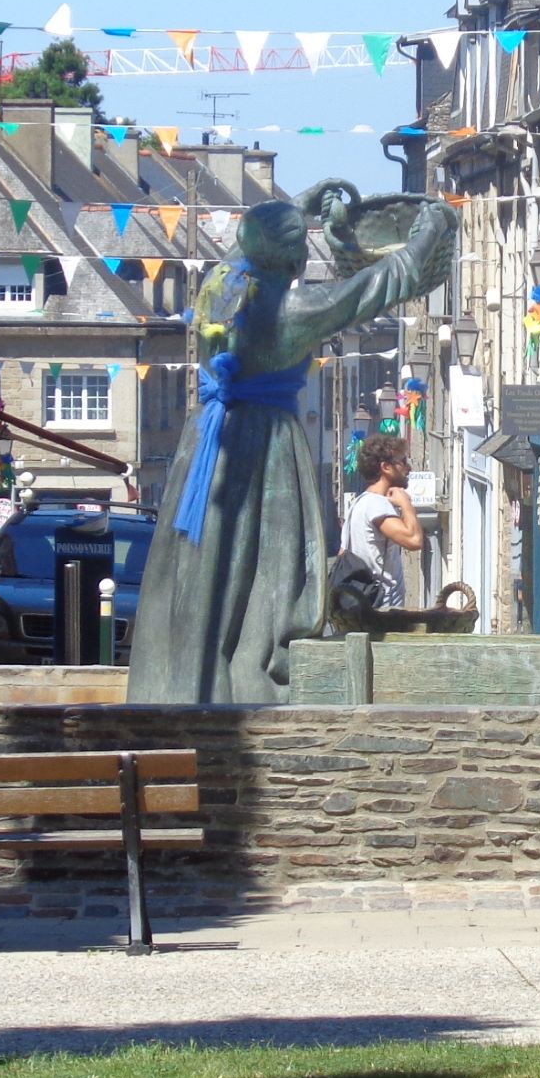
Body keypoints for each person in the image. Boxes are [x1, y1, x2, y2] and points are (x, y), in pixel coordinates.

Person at [127, 187, 455, 703]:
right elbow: (388, 279)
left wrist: (297, 209)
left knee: (203, 565)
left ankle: (184, 675)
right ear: (298, 256)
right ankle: (245, 682)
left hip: (208, 443)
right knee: (268, 572)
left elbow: (242, 249)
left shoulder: (221, 285)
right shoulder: (293, 307)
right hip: (263, 448)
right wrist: (430, 231)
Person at [344, 434, 423, 610]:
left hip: (364, 607)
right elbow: (414, 540)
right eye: (402, 462)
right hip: (383, 613)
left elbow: (344, 552)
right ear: (386, 467)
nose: (408, 468)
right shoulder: (376, 505)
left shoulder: (358, 504)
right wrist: (406, 504)